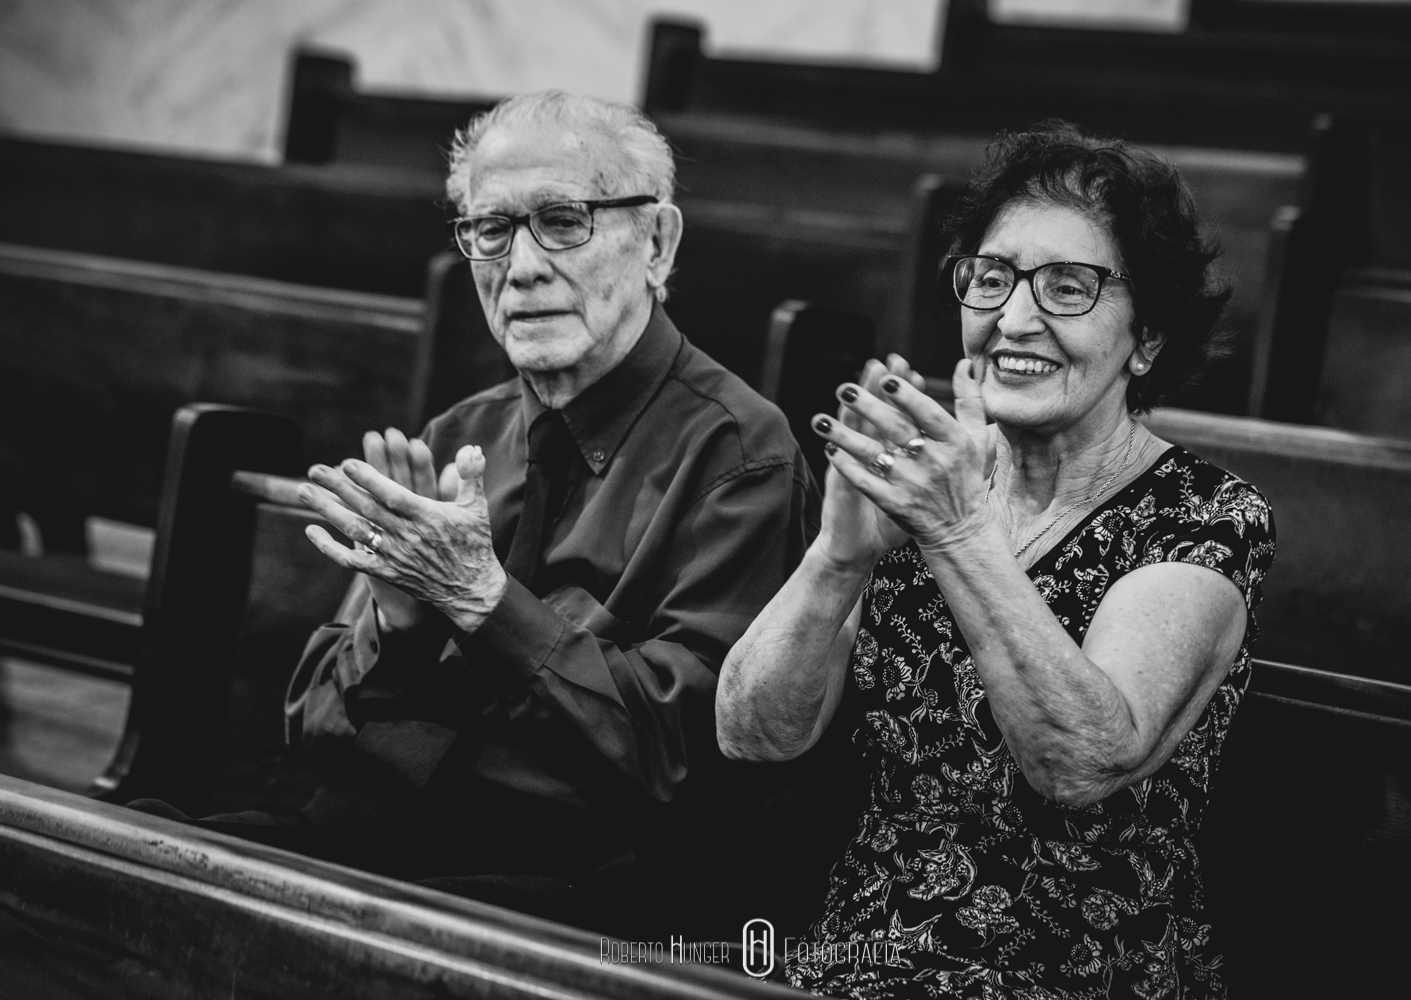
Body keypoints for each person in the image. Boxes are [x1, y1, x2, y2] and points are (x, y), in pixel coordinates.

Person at [716, 123, 1275, 998]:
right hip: (863, 958)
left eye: (1067, 287)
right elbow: (753, 735)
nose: (1014, 318)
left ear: (1149, 337)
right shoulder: (938, 482)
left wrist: (958, 535)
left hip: (1075, 971)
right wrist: (838, 557)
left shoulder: (1207, 520)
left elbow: (1083, 763)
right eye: (992, 277)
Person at [283, 91, 818, 932]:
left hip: (576, 886)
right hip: (367, 835)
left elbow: (682, 766)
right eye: (490, 230)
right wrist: (403, 625)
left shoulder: (741, 457)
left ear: (658, 241)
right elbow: (312, 726)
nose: (521, 267)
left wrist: (481, 603)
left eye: (563, 220)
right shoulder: (460, 433)